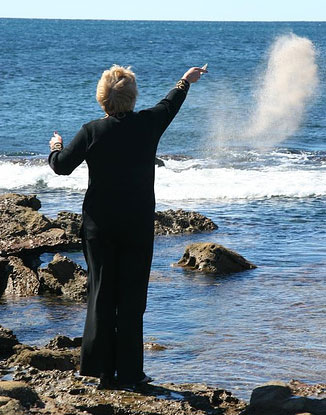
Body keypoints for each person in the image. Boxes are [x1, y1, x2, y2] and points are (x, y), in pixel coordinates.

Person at [48, 64, 207, 389]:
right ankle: (132, 374)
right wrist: (185, 80)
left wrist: (55, 147)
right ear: (133, 97)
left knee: (101, 294)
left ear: (102, 98)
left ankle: (103, 373)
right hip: (136, 225)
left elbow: (62, 168)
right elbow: (170, 103)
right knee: (132, 299)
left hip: (98, 227)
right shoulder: (148, 123)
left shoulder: (92, 131)